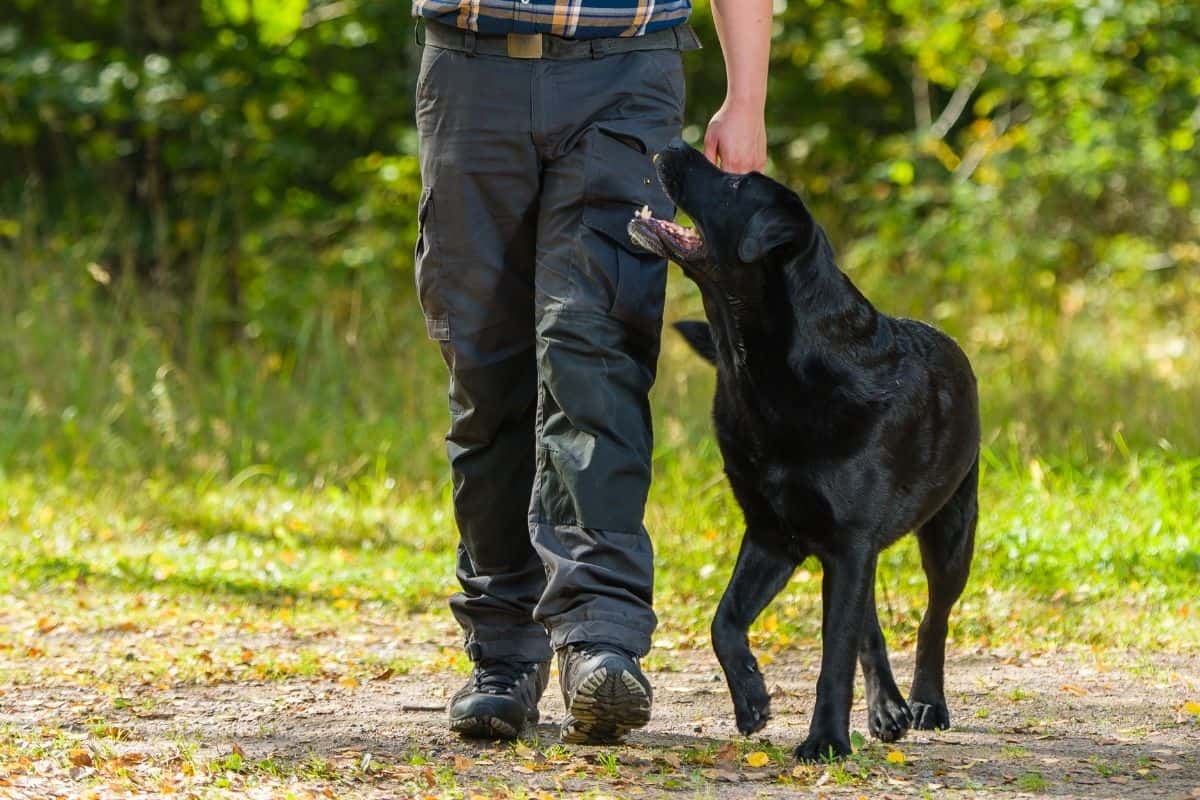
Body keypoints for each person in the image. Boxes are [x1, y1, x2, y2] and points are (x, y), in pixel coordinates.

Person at [411, 0, 769, 744]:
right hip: (471, 73)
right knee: (485, 368)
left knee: (597, 351)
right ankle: (503, 653)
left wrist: (746, 98)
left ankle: (600, 638)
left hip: (626, 74)